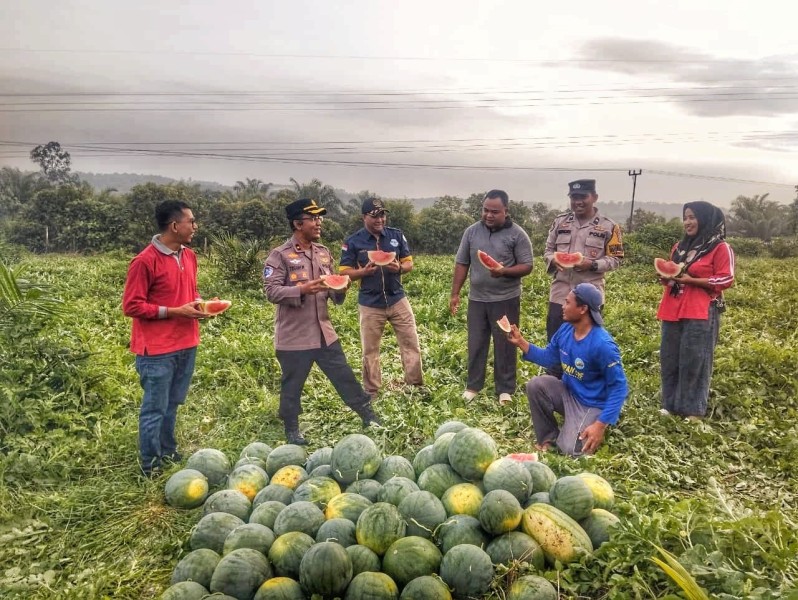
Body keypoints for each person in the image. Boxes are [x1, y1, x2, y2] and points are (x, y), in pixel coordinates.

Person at [263, 198, 380, 445]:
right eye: (313, 219)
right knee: (292, 385)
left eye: (320, 218)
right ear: (297, 223)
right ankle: (292, 429)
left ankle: (367, 415)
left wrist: (342, 288)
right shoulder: (280, 256)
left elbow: (331, 293)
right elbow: (272, 292)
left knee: (344, 376)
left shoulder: (324, 253)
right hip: (294, 336)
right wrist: (302, 289)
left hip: (324, 333)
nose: (319, 223)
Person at [122, 200, 207, 477]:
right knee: (154, 409)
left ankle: (169, 452)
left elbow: (188, 293)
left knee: (173, 404)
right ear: (174, 226)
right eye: (191, 221)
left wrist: (199, 304)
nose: (194, 226)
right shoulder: (144, 261)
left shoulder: (190, 256)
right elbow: (132, 306)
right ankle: (150, 465)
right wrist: (174, 311)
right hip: (157, 350)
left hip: (186, 343)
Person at [508, 283, 628, 456]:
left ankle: (591, 423)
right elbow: (548, 357)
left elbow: (619, 388)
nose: (563, 306)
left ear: (583, 309)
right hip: (569, 394)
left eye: (568, 302)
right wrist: (521, 342)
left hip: (592, 404)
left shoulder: (603, 345)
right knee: (537, 385)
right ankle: (549, 437)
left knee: (571, 450)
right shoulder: (566, 330)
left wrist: (600, 424)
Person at [449, 189, 533, 405]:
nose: (488, 215)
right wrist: (455, 293)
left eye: (494, 211)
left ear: (506, 210)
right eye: (485, 210)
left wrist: (504, 271)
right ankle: (473, 385)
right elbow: (462, 263)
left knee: (506, 343)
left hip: (506, 298)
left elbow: (527, 266)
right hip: (477, 299)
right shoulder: (471, 232)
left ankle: (505, 389)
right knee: (476, 342)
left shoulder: (517, 234)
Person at [657, 201, 734, 420]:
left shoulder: (720, 247)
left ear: (705, 218)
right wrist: (667, 278)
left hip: (701, 311)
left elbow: (727, 278)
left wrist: (694, 280)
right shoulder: (679, 248)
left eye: (693, 217)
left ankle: (692, 411)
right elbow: (675, 279)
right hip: (673, 308)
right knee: (670, 357)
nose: (688, 222)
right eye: (685, 217)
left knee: (696, 360)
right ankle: (669, 405)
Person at [339, 197, 423, 397]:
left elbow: (409, 263)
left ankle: (415, 385)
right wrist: (362, 273)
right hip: (370, 303)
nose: (380, 219)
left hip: (397, 298)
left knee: (411, 342)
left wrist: (400, 268)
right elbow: (343, 273)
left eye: (382, 215)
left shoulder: (396, 235)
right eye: (374, 216)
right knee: (370, 350)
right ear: (364, 217)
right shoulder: (352, 242)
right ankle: (372, 390)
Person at [544, 179, 624, 377]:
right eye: (574, 198)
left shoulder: (609, 227)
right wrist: (554, 260)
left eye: (583, 197)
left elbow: (616, 259)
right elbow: (547, 251)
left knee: (586, 345)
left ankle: (584, 387)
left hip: (589, 298)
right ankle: (553, 382)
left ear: (594, 198)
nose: (578, 202)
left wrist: (593, 264)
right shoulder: (559, 222)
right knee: (555, 341)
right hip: (560, 295)